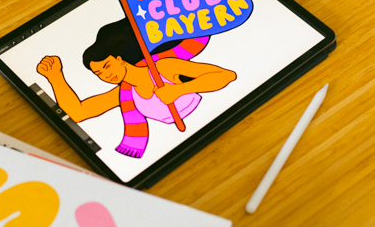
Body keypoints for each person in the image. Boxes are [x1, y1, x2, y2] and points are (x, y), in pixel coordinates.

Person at [36, 19, 236, 158]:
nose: (106, 75)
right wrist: (55, 76)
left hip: (224, 120)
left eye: (107, 66)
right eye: (99, 73)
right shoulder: (125, 93)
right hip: (181, 144)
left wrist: (178, 90)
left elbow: (226, 75)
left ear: (119, 59)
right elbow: (78, 113)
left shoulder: (162, 67)